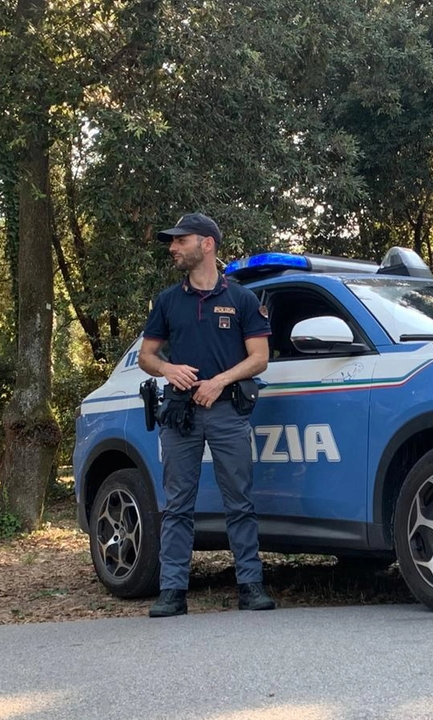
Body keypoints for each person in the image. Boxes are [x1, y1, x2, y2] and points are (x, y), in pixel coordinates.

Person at [138, 212, 273, 617]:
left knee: (240, 502)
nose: (173, 248)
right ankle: (172, 592)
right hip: (180, 415)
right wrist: (168, 369)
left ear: (207, 244)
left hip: (228, 410)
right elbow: (147, 355)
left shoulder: (242, 299)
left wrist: (219, 382)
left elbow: (260, 358)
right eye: (173, 242)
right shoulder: (167, 300)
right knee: (178, 504)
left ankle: (251, 587)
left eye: (181, 240)